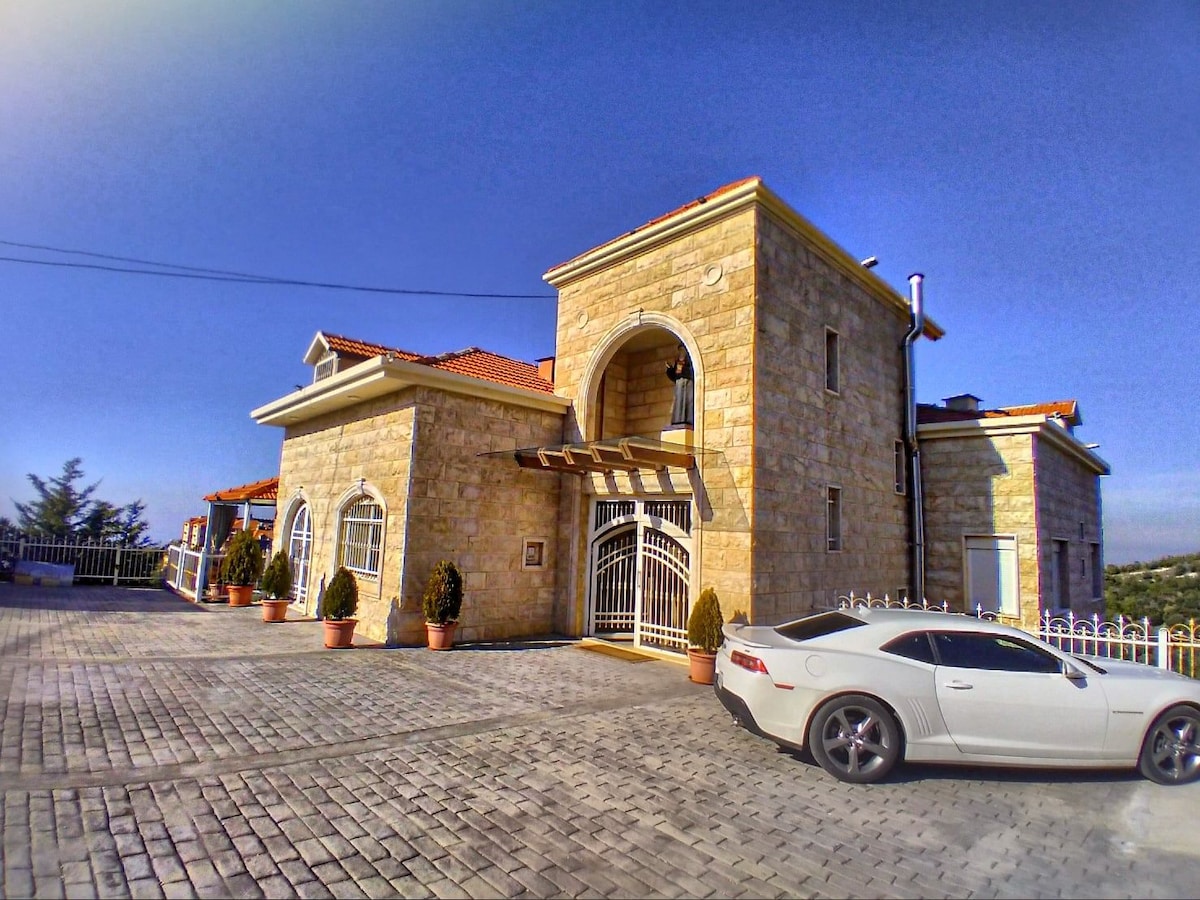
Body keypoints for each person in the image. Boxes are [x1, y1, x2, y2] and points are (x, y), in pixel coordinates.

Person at [665, 345, 694, 426]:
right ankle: (677, 420)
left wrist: (682, 370)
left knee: (687, 403)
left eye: (682, 350)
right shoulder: (678, 361)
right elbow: (674, 376)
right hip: (679, 385)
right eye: (680, 350)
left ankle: (688, 420)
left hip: (687, 384)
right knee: (678, 404)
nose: (681, 352)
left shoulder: (690, 360)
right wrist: (670, 369)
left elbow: (692, 372)